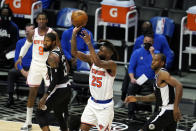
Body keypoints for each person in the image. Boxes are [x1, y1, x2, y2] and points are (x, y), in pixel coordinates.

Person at [115, 20, 174, 108]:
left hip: (155, 66)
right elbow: (134, 56)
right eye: (144, 31)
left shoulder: (161, 39)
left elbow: (169, 54)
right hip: (140, 69)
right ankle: (123, 98)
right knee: (129, 71)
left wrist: (164, 66)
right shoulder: (139, 40)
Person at [15, 12, 56, 131]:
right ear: (37, 20)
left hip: (48, 65)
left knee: (50, 93)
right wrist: (20, 57)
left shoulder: (52, 33)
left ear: (47, 20)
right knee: (32, 93)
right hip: (36, 65)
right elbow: (26, 45)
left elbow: (57, 48)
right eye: (39, 19)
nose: (41, 21)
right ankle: (27, 122)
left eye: (44, 19)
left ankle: (47, 118)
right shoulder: (33, 32)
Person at [71, 26, 118, 131]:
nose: (98, 52)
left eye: (101, 51)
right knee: (83, 129)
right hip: (92, 103)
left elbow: (99, 63)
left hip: (105, 106)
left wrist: (89, 43)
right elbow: (74, 52)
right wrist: (74, 35)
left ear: (109, 54)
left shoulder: (112, 65)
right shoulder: (91, 60)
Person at [125, 53, 183, 131]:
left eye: (156, 60)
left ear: (162, 63)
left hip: (166, 111)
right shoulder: (157, 76)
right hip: (168, 112)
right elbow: (156, 96)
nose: (152, 62)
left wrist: (176, 107)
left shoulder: (162, 73)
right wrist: (136, 98)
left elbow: (179, 85)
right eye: (152, 60)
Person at [36, 32, 72, 131]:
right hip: (67, 88)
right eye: (44, 41)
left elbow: (55, 80)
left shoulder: (52, 57)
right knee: (58, 113)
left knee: (39, 113)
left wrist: (45, 96)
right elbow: (67, 68)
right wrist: (52, 73)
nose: (44, 43)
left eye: (47, 41)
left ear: (53, 42)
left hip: (59, 90)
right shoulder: (59, 50)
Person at [126, 33, 157, 120]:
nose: (147, 43)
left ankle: (155, 116)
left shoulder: (156, 54)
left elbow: (157, 67)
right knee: (131, 87)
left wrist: (152, 53)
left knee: (159, 89)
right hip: (139, 80)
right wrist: (132, 78)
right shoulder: (137, 52)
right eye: (146, 41)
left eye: (150, 42)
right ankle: (131, 114)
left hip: (151, 80)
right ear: (143, 41)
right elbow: (131, 68)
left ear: (153, 43)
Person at [5, 24, 34, 108]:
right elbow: (16, 58)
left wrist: (30, 71)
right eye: (27, 32)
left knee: (40, 75)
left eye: (30, 31)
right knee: (11, 73)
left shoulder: (38, 43)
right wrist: (22, 70)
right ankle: (10, 98)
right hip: (21, 67)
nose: (28, 33)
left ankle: (39, 100)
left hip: (33, 68)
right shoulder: (20, 42)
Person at [0, 4, 19, 68]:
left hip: (9, 49)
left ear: (9, 14)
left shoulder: (14, 27)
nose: (4, 15)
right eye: (3, 13)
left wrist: (6, 50)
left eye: (6, 13)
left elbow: (15, 43)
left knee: (11, 58)